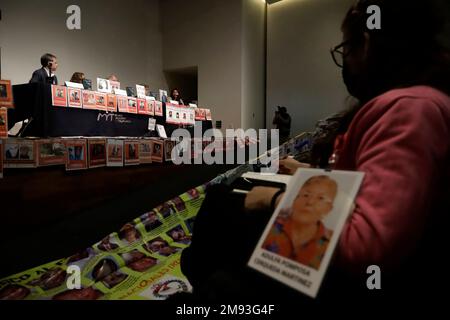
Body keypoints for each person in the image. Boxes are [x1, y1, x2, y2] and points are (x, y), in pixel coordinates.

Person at [177, 0, 450, 305]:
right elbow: (368, 189)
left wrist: (275, 199)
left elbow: (365, 245)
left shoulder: (410, 110)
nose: (344, 61)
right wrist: (308, 174)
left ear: (368, 44)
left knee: (220, 202)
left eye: (345, 48)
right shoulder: (417, 104)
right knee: (223, 203)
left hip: (343, 277)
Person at [263, 176, 336, 270]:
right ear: (295, 200)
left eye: (320, 198)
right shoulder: (272, 228)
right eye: (306, 195)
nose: (310, 202)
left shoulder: (332, 243)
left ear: (329, 209)